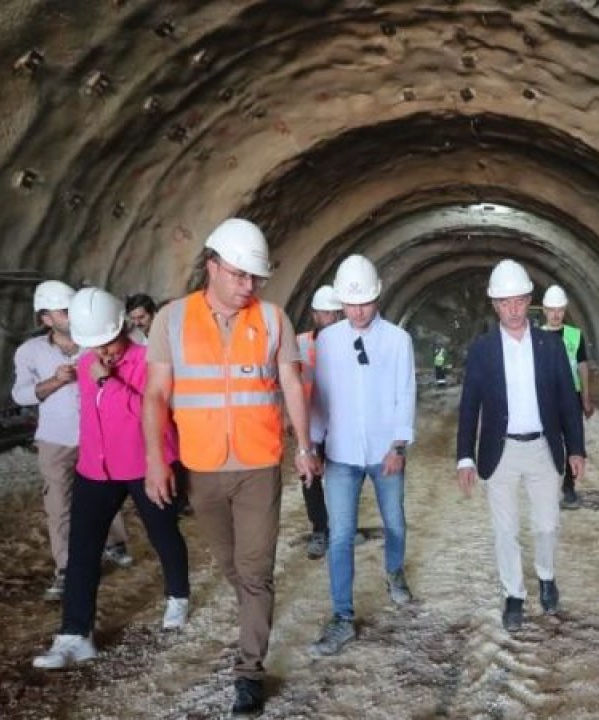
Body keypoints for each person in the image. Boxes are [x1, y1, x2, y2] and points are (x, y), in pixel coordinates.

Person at [142, 218, 318, 716]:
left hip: (259, 463)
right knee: (231, 567)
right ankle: (252, 626)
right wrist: (156, 461)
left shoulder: (273, 320)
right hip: (201, 467)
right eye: (239, 275)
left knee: (256, 570)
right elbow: (155, 394)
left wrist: (305, 446)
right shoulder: (171, 321)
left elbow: (290, 386)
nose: (248, 287)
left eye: (255, 279)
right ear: (212, 266)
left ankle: (248, 670)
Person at [33, 288, 191, 669]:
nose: (102, 352)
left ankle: (178, 595)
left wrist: (112, 383)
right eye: (95, 345)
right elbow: (92, 414)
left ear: (122, 328)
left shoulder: (152, 361)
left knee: (163, 532)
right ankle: (75, 634)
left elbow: (155, 413)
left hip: (146, 464)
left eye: (108, 342)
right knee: (83, 548)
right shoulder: (89, 362)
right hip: (97, 468)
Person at [456, 261, 585, 631]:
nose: (512, 308)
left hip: (543, 448)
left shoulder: (550, 345)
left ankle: (546, 575)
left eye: (518, 300)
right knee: (505, 530)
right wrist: (465, 455)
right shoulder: (482, 350)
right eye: (504, 302)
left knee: (546, 525)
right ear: (495, 304)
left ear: (529, 300)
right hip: (502, 451)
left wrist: (576, 448)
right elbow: (469, 406)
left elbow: (566, 401)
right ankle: (514, 594)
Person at [308, 254, 416, 657]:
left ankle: (394, 571)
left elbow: (406, 392)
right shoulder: (328, 341)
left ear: (377, 297)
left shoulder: (396, 340)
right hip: (341, 454)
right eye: (350, 303)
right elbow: (320, 397)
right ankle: (342, 616)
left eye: (365, 302)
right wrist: (314, 445)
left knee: (395, 523)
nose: (357, 310)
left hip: (385, 451)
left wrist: (399, 444)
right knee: (339, 536)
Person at [12, 280, 132, 601]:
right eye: (64, 312)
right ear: (45, 319)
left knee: (107, 490)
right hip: (56, 439)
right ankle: (67, 567)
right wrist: (55, 381)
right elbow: (21, 394)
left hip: (99, 434)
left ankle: (114, 542)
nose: (71, 316)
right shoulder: (30, 352)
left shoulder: (96, 342)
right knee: (59, 502)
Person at [295, 285, 343, 559]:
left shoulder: (351, 341)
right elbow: (288, 383)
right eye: (327, 314)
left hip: (339, 424)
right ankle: (320, 529)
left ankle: (338, 527)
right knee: (310, 477)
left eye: (336, 313)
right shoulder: (301, 344)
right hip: (310, 423)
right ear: (315, 315)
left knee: (339, 476)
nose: (332, 319)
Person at [540, 284, 595, 508]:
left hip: (571, 395)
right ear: (544, 310)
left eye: (560, 310)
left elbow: (582, 366)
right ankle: (548, 485)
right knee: (548, 443)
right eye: (552, 310)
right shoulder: (537, 337)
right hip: (547, 397)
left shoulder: (575, 335)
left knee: (574, 442)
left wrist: (586, 397)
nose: (556, 314)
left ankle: (569, 487)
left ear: (565, 310)